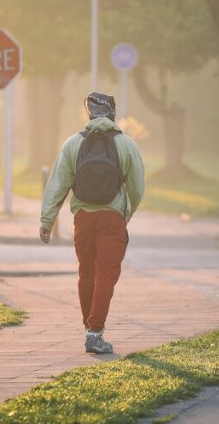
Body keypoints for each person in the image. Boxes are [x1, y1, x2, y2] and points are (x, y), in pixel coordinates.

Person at [39, 92, 145, 354]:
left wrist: (47, 221)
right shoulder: (126, 145)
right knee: (106, 274)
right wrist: (126, 212)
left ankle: (90, 328)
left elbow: (57, 185)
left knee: (86, 273)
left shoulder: (73, 144)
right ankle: (95, 333)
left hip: (83, 218)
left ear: (89, 114)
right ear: (112, 114)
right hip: (112, 218)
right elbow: (137, 187)